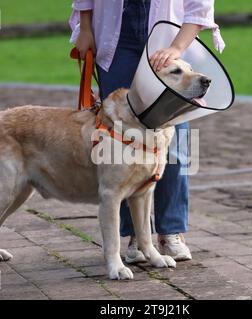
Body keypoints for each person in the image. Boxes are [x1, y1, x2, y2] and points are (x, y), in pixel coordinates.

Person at [69, 0, 225, 262]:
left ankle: (171, 231)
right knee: (120, 143)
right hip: (117, 40)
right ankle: (135, 236)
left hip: (169, 37)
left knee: (174, 141)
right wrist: (85, 27)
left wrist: (176, 47)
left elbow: (199, 6)